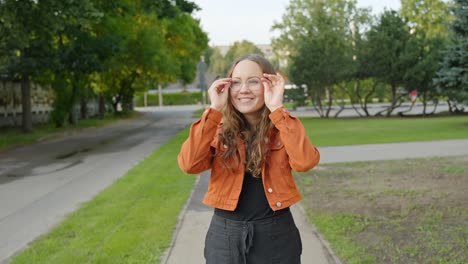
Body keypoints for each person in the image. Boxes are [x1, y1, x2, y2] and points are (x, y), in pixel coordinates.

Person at [178, 54, 320, 264]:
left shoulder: (283, 128)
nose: (243, 89)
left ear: (269, 84)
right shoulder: (217, 128)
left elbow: (305, 162)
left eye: (253, 81)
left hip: (276, 235)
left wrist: (277, 108)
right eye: (236, 82)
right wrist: (214, 109)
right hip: (224, 237)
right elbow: (189, 164)